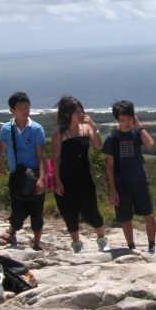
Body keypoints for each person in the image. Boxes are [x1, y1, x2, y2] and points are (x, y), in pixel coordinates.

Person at [102, 100, 156, 256]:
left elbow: (150, 144)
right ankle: (131, 247)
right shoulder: (112, 138)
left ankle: (152, 246)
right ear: (117, 119)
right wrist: (113, 190)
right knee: (125, 218)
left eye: (129, 119)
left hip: (140, 180)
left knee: (149, 215)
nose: (126, 123)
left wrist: (139, 126)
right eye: (122, 120)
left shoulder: (136, 133)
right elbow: (109, 166)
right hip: (122, 184)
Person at [51, 96, 109, 253]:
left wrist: (94, 127)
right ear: (67, 114)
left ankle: (102, 239)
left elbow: (99, 146)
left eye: (81, 110)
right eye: (76, 112)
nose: (81, 114)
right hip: (66, 179)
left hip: (85, 178)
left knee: (92, 211)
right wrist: (57, 181)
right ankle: (76, 244)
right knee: (69, 213)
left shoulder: (86, 129)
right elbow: (56, 159)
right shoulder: (59, 133)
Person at [0, 92, 46, 250]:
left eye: (27, 107)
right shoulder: (6, 128)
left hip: (34, 174)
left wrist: (42, 178)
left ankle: (37, 244)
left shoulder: (36, 129)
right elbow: (0, 146)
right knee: (17, 207)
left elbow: (41, 156)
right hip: (16, 174)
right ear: (12, 110)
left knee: (36, 210)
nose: (25, 110)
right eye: (20, 108)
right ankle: (13, 229)